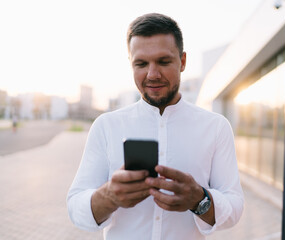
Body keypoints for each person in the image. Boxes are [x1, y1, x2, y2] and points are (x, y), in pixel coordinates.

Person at [67, 13, 244, 240]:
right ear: (131, 63)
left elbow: (235, 207)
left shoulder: (216, 127)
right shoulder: (105, 126)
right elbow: (75, 207)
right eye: (141, 63)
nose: (152, 74)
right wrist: (109, 196)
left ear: (183, 61)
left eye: (163, 61)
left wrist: (199, 199)